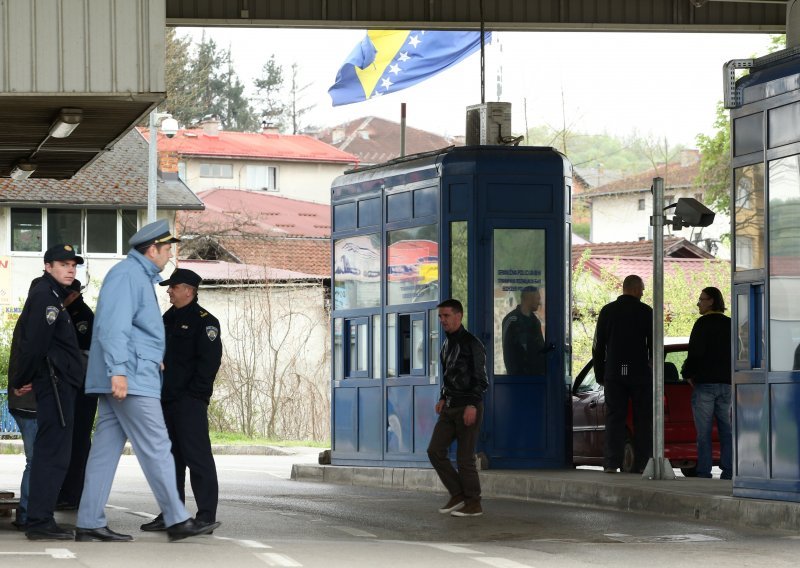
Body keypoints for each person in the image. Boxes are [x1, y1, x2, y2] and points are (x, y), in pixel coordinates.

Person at [76, 219, 220, 543]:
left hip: (132, 372)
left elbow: (136, 329)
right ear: (152, 249)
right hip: (131, 378)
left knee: (104, 451)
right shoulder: (129, 275)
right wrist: (118, 371)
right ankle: (177, 519)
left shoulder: (136, 277)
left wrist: (154, 357)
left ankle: (88, 521)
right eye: (167, 248)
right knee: (157, 446)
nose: (169, 255)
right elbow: (114, 326)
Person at [8, 245, 85, 540]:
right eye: (64, 264)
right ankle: (40, 522)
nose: (70, 269)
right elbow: (34, 344)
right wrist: (22, 378)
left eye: (74, 265)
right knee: (51, 457)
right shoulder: (46, 296)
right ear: (48, 266)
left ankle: (42, 519)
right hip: (54, 386)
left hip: (59, 385)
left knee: (52, 455)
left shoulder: (52, 295)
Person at [140, 268, 222, 532]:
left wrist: (196, 396)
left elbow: (209, 364)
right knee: (169, 460)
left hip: (189, 402)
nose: (169, 291)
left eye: (173, 287)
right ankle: (170, 514)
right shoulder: (166, 319)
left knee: (197, 458)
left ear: (189, 290)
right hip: (164, 400)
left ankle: (206, 515)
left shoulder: (205, 322)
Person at [427, 298, 488, 517]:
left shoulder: (472, 343)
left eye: (446, 316)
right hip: (450, 407)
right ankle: (458, 493)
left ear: (459, 316)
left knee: (464, 458)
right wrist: (443, 397)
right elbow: (448, 376)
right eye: (440, 316)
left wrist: (472, 403)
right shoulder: (446, 344)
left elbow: (481, 380)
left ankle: (474, 502)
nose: (442, 320)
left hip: (468, 407)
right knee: (434, 451)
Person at [592, 274, 653, 474]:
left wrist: (600, 374)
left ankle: (611, 462)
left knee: (614, 418)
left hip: (615, 372)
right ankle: (642, 463)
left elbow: (598, 346)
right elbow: (654, 345)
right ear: (635, 290)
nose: (643, 293)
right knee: (642, 419)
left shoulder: (607, 311)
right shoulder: (646, 312)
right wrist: (653, 368)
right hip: (639, 373)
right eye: (642, 290)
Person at [681, 286, 733, 480]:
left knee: (703, 434)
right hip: (727, 385)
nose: (698, 303)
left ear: (711, 301)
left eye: (701, 299)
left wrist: (687, 373)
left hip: (705, 386)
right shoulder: (730, 324)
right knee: (727, 432)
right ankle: (728, 471)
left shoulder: (702, 324)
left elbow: (695, 353)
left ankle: (704, 472)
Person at [56, 279, 97, 510]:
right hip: (69, 387)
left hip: (83, 389)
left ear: (73, 294)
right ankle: (64, 491)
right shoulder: (63, 312)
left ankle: (74, 494)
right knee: (67, 440)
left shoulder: (83, 317)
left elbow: (83, 356)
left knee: (79, 441)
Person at [501, 286, 546, 375]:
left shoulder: (535, 322)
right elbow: (507, 352)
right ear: (529, 298)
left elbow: (541, 350)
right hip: (518, 380)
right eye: (537, 298)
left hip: (536, 379)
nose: (540, 303)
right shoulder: (511, 320)